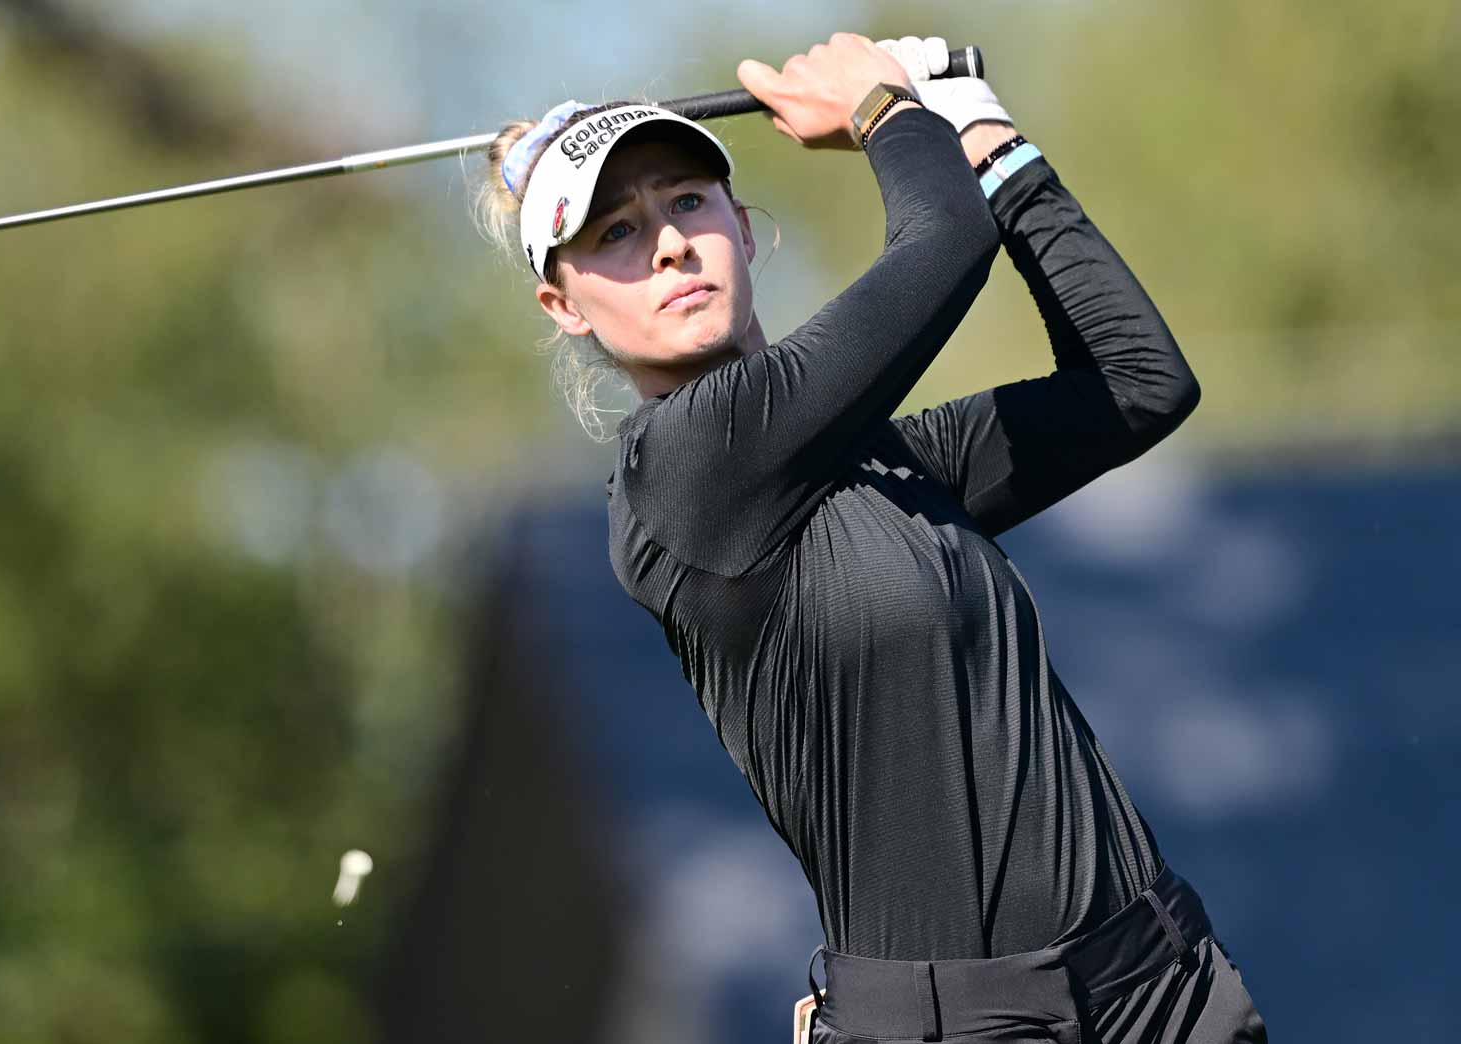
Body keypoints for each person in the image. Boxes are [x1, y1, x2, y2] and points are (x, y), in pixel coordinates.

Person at [474, 30, 1266, 1044]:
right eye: (614, 234)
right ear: (563, 305)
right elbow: (942, 243)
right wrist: (886, 110)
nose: (667, 242)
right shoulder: (678, 470)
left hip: (1160, 986)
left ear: (743, 229)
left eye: (684, 201)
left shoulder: (887, 466)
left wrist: (981, 128)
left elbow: (1138, 383)